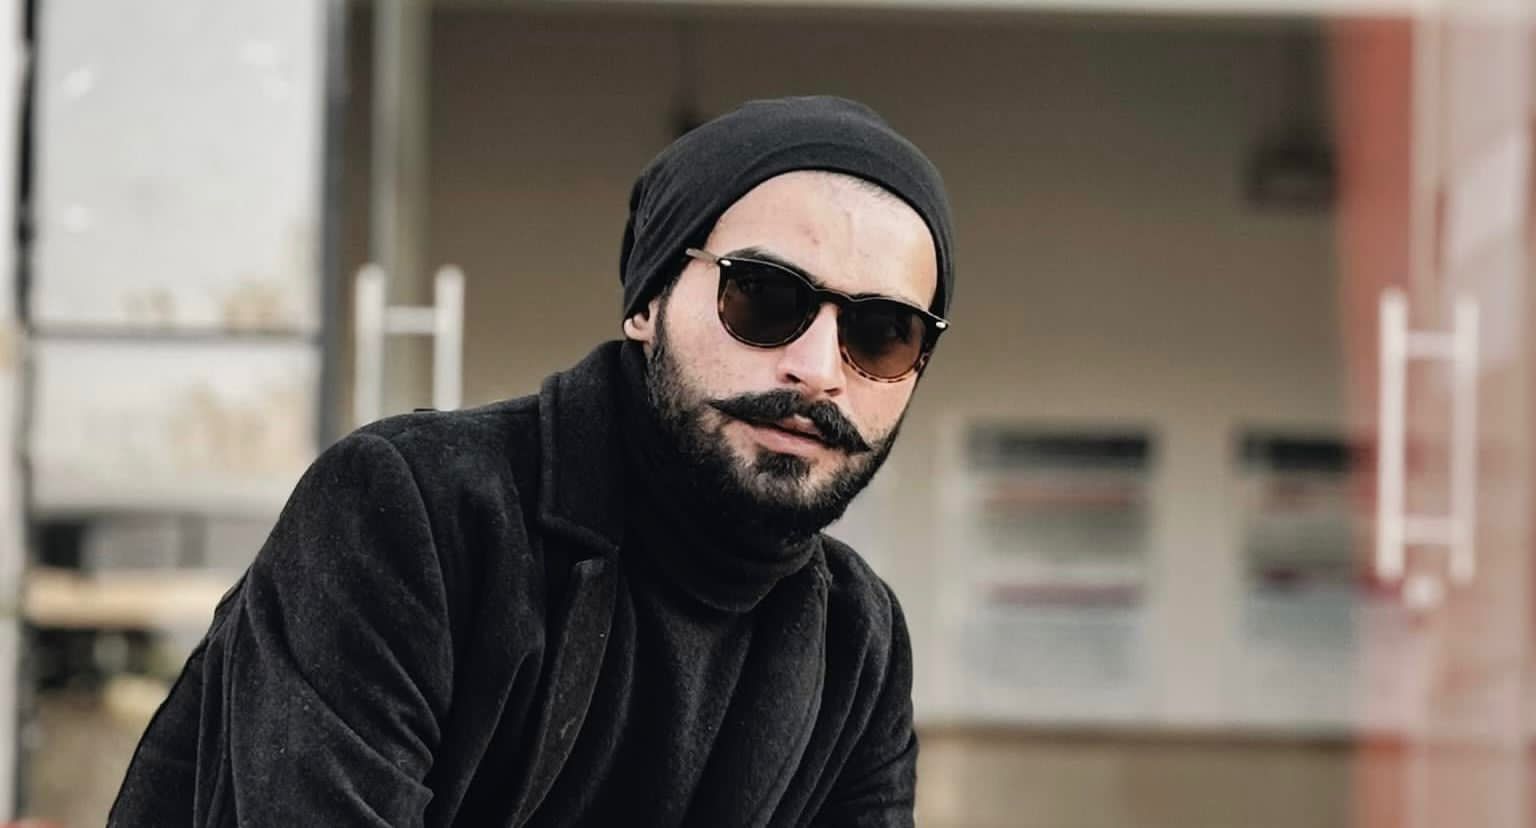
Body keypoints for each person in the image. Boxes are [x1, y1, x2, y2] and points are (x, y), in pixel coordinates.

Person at [109, 94, 955, 827]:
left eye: (883, 333)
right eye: (765, 297)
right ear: (648, 302)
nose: (817, 367)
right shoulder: (409, 514)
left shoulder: (859, 640)